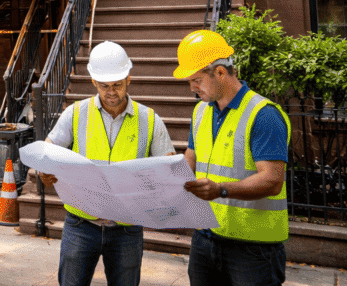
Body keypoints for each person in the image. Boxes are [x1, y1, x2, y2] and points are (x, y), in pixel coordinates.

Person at [38, 41, 176, 286]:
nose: (111, 91)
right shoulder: (76, 113)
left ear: (128, 79)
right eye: (104, 86)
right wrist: (45, 169)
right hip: (81, 225)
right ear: (93, 82)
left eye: (117, 85)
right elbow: (49, 152)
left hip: (126, 231)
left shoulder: (150, 120)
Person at [175, 30, 290, 286]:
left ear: (219, 72)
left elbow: (272, 181)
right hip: (205, 238)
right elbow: (190, 160)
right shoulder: (200, 113)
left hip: (252, 250)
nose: (192, 88)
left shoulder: (264, 115)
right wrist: (163, 174)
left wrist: (220, 190)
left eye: (196, 79)